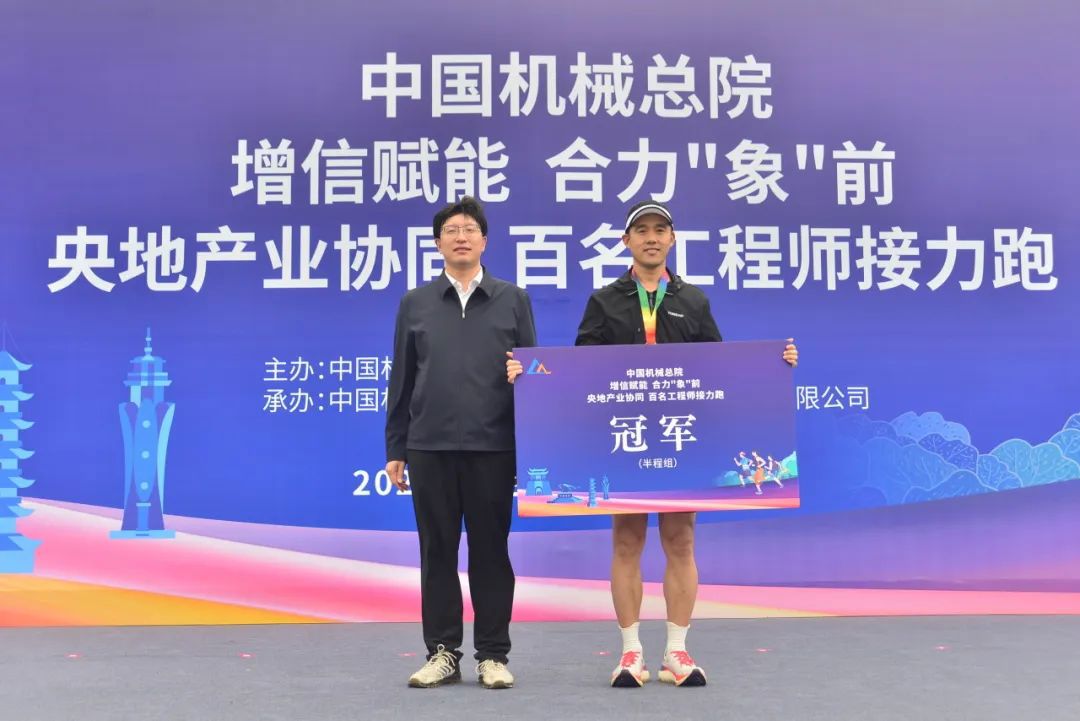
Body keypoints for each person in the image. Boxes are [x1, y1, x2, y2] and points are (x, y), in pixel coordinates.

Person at [511, 199, 797, 688]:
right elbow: (580, 371)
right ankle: (630, 653)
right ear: (626, 241)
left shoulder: (694, 300)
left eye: (659, 230)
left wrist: (775, 366)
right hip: (624, 439)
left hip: (682, 439)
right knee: (626, 540)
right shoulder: (604, 301)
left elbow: (722, 369)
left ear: (672, 239)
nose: (650, 237)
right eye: (640, 230)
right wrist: (530, 376)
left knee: (681, 540)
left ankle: (677, 652)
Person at [386, 196, 536, 690]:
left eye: (470, 229)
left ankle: (492, 654)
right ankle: (443, 653)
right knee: (437, 552)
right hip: (429, 446)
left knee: (492, 552)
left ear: (484, 241)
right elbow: (402, 379)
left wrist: (531, 433)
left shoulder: (512, 299)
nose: (461, 237)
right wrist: (396, 447)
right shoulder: (416, 303)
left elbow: (533, 375)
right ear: (438, 243)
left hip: (494, 446)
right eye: (451, 230)